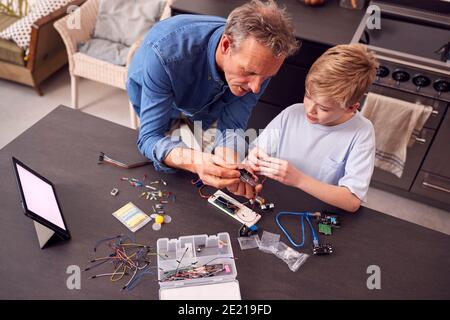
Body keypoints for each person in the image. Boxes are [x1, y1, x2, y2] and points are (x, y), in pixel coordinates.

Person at [126, 0, 298, 199]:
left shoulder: (259, 66)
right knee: (172, 157)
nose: (256, 87)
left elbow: (232, 124)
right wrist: (195, 161)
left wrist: (231, 165)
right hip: (155, 90)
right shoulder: (166, 54)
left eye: (266, 77)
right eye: (249, 72)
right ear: (226, 45)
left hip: (201, 103)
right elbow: (150, 138)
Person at [247, 44, 379, 212]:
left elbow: (352, 201)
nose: (309, 110)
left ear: (351, 108)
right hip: (277, 203)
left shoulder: (362, 133)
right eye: (308, 96)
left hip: (317, 212)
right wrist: (254, 160)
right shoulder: (292, 113)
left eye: (323, 108)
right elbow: (257, 153)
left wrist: (298, 179)